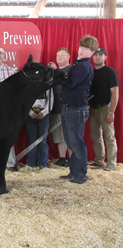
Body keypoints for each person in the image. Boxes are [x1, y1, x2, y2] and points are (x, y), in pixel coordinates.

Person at [60, 35, 98, 184]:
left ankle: (80, 174)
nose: (82, 50)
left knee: (76, 142)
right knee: (71, 141)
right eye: (81, 47)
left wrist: (58, 76)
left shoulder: (84, 66)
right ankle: (74, 171)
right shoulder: (78, 64)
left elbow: (69, 83)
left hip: (75, 108)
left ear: (92, 52)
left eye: (87, 49)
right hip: (71, 106)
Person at [88, 48, 119, 171]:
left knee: (109, 137)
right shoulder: (90, 72)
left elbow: (115, 93)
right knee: (96, 137)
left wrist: (111, 111)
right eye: (95, 54)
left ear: (105, 57)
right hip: (92, 109)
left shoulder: (110, 72)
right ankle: (99, 161)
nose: (97, 57)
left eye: (100, 54)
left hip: (105, 108)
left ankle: (111, 163)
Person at [48, 48, 72, 167]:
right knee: (58, 135)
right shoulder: (54, 73)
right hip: (56, 107)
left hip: (69, 107)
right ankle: (62, 158)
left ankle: (72, 159)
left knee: (70, 134)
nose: (60, 57)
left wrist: (56, 70)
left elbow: (66, 80)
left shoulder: (72, 70)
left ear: (68, 57)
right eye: (58, 55)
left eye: (63, 55)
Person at [25, 89, 53, 169]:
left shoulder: (47, 83)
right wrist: (30, 112)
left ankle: (43, 164)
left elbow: (50, 99)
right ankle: (31, 165)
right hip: (30, 115)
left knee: (42, 140)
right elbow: (24, 98)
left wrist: (44, 112)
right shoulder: (28, 83)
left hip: (44, 114)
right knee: (32, 140)